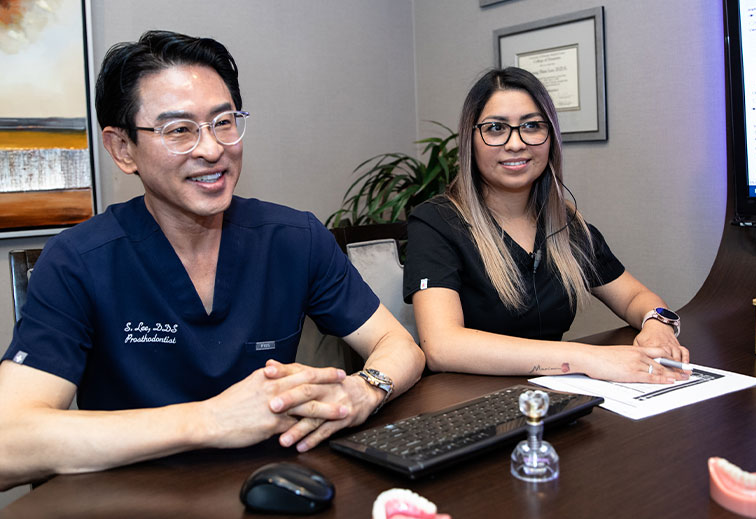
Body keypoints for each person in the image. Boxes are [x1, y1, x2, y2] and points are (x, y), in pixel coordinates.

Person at [0, 30, 423, 491]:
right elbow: (8, 444)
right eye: (179, 129)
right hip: (136, 503)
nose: (212, 149)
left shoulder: (292, 239)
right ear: (123, 149)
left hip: (271, 488)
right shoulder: (79, 261)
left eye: (224, 121)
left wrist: (365, 390)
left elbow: (400, 346)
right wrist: (210, 420)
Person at [403, 67, 689, 383]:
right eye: (496, 128)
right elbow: (443, 346)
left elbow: (637, 298)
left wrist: (657, 325)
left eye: (532, 126)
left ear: (550, 137)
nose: (516, 143)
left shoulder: (568, 226)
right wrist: (586, 359)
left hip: (551, 396)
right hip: (466, 402)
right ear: (470, 140)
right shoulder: (435, 222)